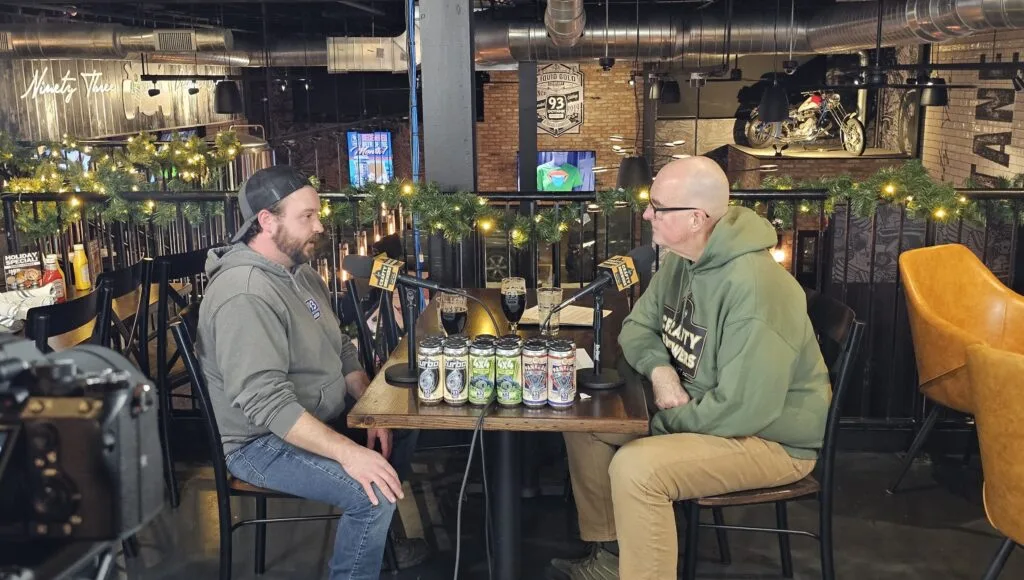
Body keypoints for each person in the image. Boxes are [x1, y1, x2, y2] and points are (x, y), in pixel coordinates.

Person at [550, 156, 831, 580]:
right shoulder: (684, 259)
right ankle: (612, 557)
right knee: (586, 421)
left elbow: (743, 409)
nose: (646, 214)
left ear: (697, 218)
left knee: (637, 468)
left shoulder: (756, 291)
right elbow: (636, 328)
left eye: (658, 207)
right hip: (708, 414)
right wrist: (661, 372)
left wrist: (658, 422)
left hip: (770, 440)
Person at [196, 165, 427, 579]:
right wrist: (349, 452)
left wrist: (370, 408)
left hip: (312, 415)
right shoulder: (244, 293)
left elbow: (338, 346)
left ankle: (381, 542)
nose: (319, 226)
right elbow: (267, 405)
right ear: (267, 220)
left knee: (402, 426)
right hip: (260, 443)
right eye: (307, 217)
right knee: (369, 492)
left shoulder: (297, 272)